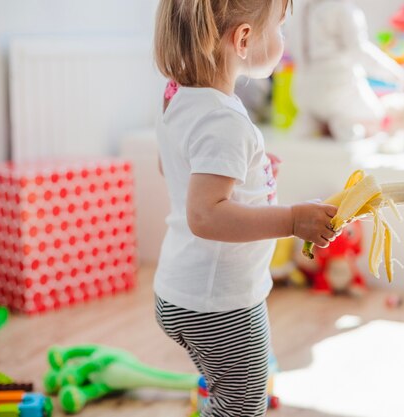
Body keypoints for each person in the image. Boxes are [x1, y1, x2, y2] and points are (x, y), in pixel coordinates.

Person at [152, 0, 339, 415]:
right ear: (243, 39)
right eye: (280, 28)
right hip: (220, 304)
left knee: (225, 390)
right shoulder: (226, 121)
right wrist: (291, 219)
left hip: (178, 291)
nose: (284, 40)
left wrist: (247, 171)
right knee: (242, 404)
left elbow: (174, 165)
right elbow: (206, 215)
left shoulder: (177, 93)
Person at [288, 0, 404, 141]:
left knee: (314, 111)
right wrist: (395, 73)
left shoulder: (299, 8)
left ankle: (311, 121)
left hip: (303, 89)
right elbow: (359, 51)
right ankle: (343, 124)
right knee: (377, 118)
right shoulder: (341, 8)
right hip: (335, 88)